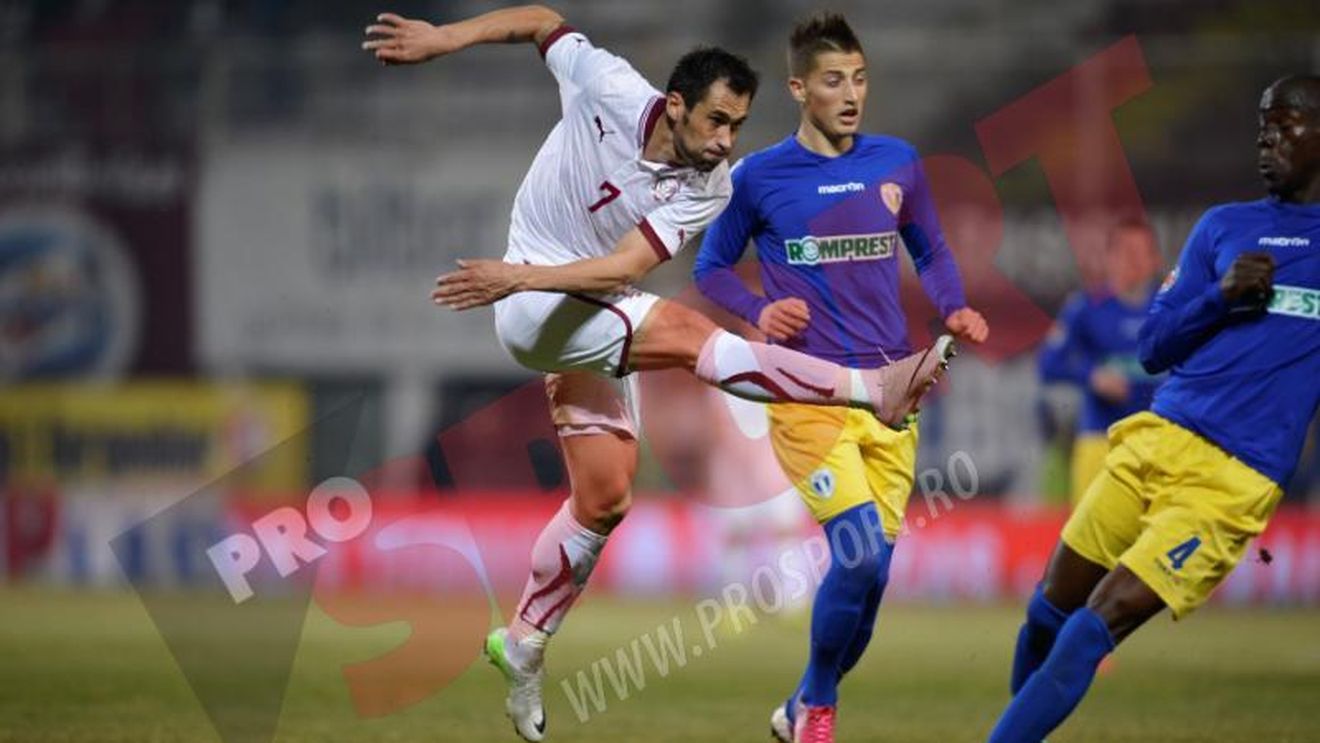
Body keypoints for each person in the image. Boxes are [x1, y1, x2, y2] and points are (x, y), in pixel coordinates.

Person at [362, 7, 955, 741]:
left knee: (607, 494)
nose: (725, 141)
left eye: (737, 125)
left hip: (575, 301)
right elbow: (543, 21)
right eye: (715, 121)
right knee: (690, 336)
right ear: (674, 106)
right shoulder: (607, 84)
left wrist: (521, 275)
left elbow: (625, 268)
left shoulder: (710, 184)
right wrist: (445, 39)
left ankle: (523, 642)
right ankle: (873, 387)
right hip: (532, 310)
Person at [986, 74, 1320, 743]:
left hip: (1232, 479)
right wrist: (1219, 297)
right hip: (1154, 437)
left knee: (1092, 625)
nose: (1267, 140)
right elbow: (1156, 344)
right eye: (1262, 127)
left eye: (1285, 125)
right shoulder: (1222, 228)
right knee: (1048, 612)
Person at [693, 14, 988, 743]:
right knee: (855, 551)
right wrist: (762, 311)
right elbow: (709, 269)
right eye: (833, 80)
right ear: (799, 89)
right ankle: (820, 713)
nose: (851, 93)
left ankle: (797, 706)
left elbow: (934, 250)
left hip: (892, 398)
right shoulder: (758, 176)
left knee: (870, 585)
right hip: (809, 395)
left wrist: (954, 309)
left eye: (859, 78)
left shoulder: (898, 162)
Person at [1038, 219, 1164, 506]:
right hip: (1101, 441)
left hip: (1160, 442)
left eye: (1139, 252)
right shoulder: (1086, 307)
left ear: (1154, 259)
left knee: (1157, 543)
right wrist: (1092, 375)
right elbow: (1048, 363)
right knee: (1090, 545)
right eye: (1123, 252)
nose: (1131, 261)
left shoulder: (1170, 307)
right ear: (1109, 259)